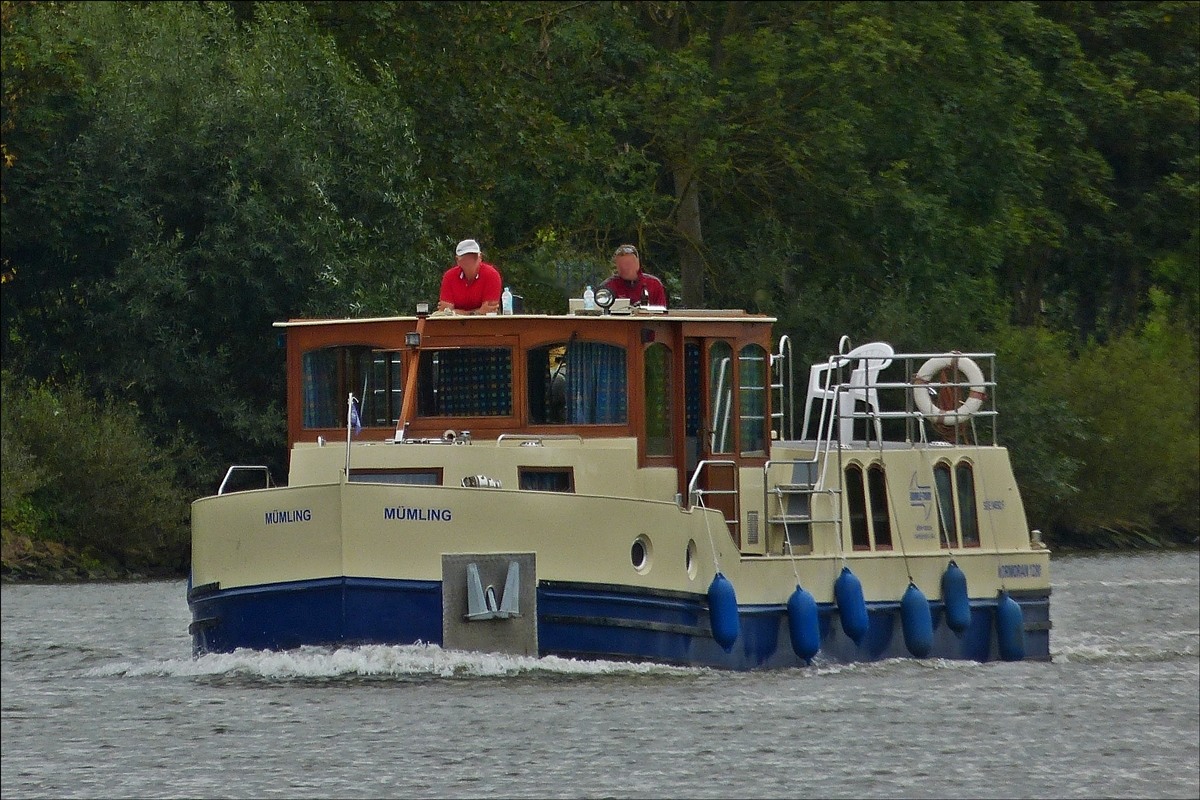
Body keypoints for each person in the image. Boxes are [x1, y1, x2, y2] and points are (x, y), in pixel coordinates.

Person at [438, 239, 502, 315]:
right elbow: (445, 313)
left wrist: (456, 312)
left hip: (486, 325)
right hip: (455, 325)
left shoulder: (492, 275)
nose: (470, 261)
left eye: (474, 257)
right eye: (465, 257)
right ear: (457, 260)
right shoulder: (449, 276)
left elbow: (490, 312)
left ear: (480, 257)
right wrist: (477, 312)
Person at [602, 244, 667, 307]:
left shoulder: (654, 284)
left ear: (637, 263)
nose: (625, 268)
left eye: (629, 263)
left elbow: (661, 313)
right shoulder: (608, 286)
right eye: (622, 264)